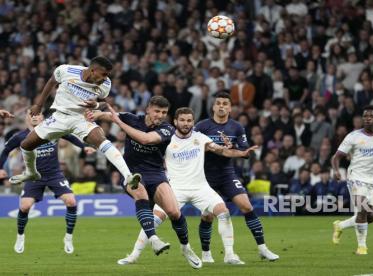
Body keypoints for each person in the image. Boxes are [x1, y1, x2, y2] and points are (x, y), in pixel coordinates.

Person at [118, 107, 258, 265]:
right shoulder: (166, 138)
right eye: (182, 120)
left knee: (223, 212)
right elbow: (149, 149)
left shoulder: (200, 138)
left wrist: (241, 153)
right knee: (154, 219)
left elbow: (221, 151)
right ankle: (134, 255)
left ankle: (230, 255)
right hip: (175, 188)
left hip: (200, 187)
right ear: (175, 121)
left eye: (189, 121)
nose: (186, 124)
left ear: (193, 122)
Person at [88, 96, 200, 269]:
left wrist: (120, 124)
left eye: (164, 112)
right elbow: (108, 115)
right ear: (148, 109)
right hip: (131, 173)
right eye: (157, 111)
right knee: (140, 193)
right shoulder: (132, 118)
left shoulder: (167, 129)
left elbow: (146, 139)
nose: (160, 115)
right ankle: (154, 239)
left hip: (156, 174)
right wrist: (94, 113)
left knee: (174, 212)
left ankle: (186, 248)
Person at [10, 56, 141, 190]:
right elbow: (51, 82)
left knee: (101, 140)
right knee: (26, 145)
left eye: (107, 75)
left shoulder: (106, 83)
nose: (105, 78)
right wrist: (39, 105)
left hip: (80, 119)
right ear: (92, 71)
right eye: (103, 74)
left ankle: (128, 176)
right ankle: (32, 173)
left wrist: (96, 104)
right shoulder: (66, 70)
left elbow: (104, 103)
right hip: (59, 117)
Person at [194, 91, 279, 261]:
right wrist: (214, 147)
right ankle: (205, 253)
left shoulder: (237, 127)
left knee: (247, 206)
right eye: (218, 103)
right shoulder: (202, 126)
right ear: (213, 106)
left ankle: (262, 248)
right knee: (208, 216)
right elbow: (191, 148)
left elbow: (245, 152)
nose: (221, 106)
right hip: (205, 177)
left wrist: (233, 146)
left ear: (230, 108)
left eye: (225, 103)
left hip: (227, 175)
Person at [0, 110, 95, 254]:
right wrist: (1, 168)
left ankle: (68, 237)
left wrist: (84, 147)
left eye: (37, 114)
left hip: (54, 174)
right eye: (31, 115)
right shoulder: (20, 136)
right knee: (25, 207)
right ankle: (20, 236)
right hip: (33, 176)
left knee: (71, 201)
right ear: (26, 118)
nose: (34, 117)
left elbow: (68, 136)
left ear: (43, 118)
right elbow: (6, 150)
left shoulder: (52, 130)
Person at [331, 105, 373, 255]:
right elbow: (336, 157)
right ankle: (362, 247)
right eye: (365, 116)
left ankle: (340, 226)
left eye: (372, 116)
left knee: (372, 216)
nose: (368, 119)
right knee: (362, 209)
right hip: (356, 178)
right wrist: (336, 170)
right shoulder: (353, 136)